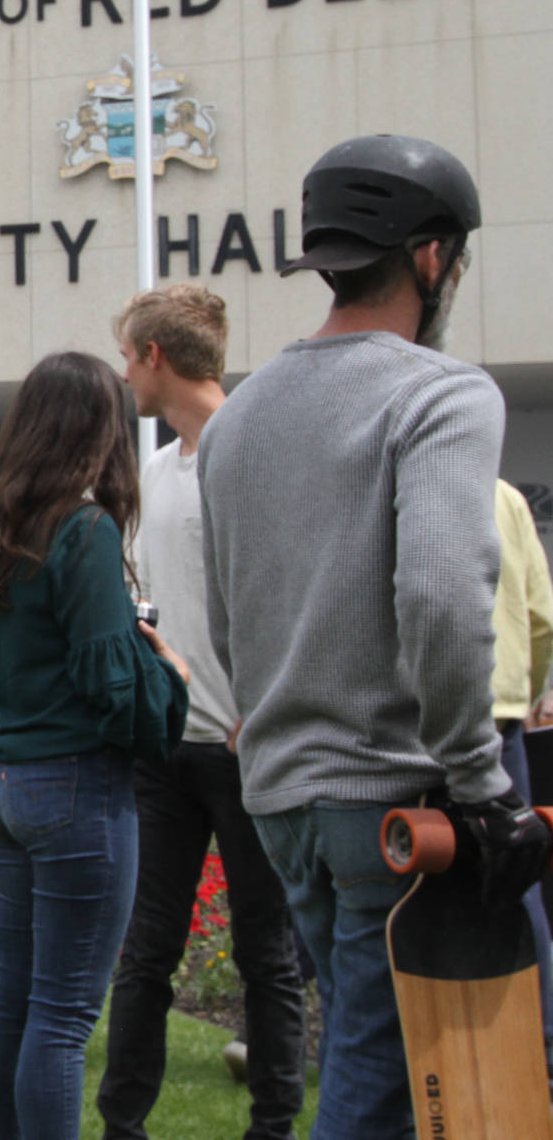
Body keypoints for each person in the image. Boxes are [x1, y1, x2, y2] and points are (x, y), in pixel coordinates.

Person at [199, 134, 550, 1140]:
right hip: (395, 802)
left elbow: (228, 621)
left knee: (383, 1063)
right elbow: (442, 600)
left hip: (283, 798)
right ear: (431, 257)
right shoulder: (437, 392)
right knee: (383, 1079)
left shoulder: (235, 416)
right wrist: (483, 791)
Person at [0, 352, 188, 1140]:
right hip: (77, 789)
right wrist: (170, 676)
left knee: (14, 990)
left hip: (4, 781)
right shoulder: (83, 532)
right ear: (101, 433)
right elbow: (116, 693)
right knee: (63, 1014)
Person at [98, 286, 306, 1140]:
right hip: (165, 753)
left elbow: (294, 595)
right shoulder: (151, 471)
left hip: (249, 748)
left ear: (154, 357)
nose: (123, 374)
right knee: (146, 952)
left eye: (127, 356)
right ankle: (122, 1124)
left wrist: (267, 711)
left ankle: (274, 1125)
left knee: (268, 954)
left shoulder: (257, 452)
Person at [490, 476, 553, 1071]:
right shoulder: (506, 496)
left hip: (420, 715)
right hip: (502, 711)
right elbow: (540, 617)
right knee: (520, 879)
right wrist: (524, 691)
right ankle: (546, 1045)